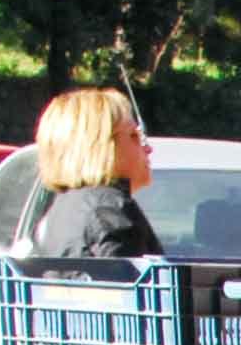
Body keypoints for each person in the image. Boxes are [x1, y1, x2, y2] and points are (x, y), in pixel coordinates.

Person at [26, 87, 162, 258]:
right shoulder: (109, 211)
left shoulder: (61, 209)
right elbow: (123, 282)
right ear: (100, 145)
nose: (148, 148)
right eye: (134, 136)